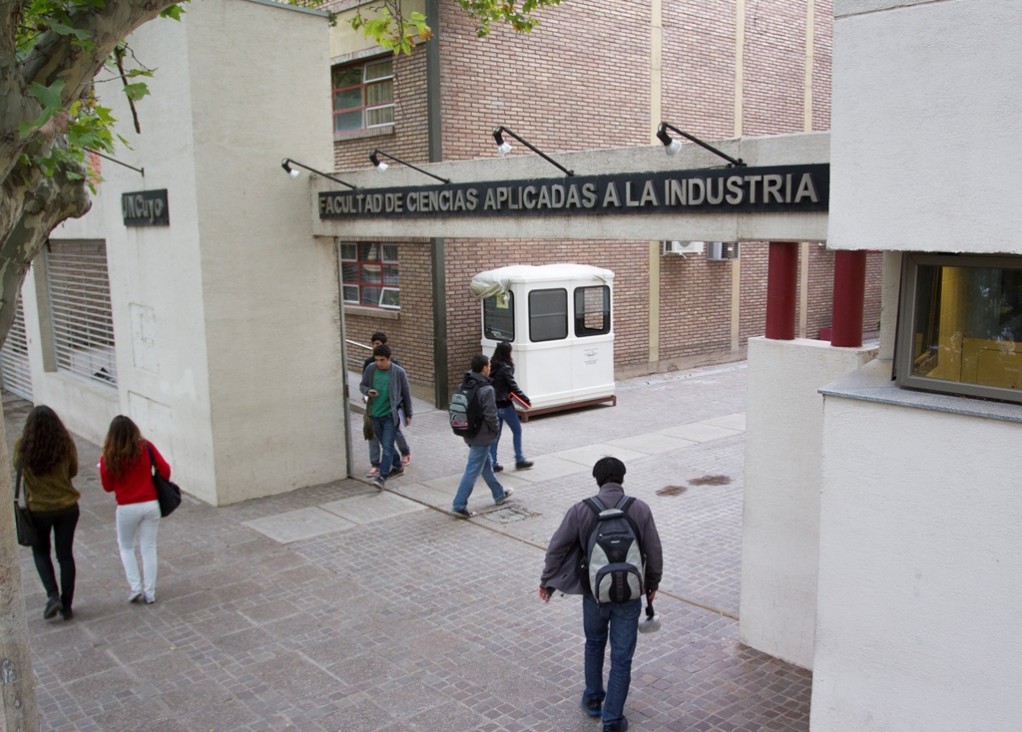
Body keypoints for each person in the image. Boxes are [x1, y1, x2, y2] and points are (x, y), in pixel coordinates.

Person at [538, 457, 663, 732]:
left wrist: (547, 581)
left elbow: (556, 548)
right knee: (622, 657)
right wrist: (652, 584)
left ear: (597, 479)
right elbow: (654, 551)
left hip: (594, 595)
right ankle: (612, 720)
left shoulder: (581, 510)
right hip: (629, 597)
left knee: (594, 644)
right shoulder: (639, 509)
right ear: (622, 478)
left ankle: (594, 700)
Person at [13, 406, 80, 621]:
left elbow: (18, 468)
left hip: (39, 510)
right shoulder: (65, 444)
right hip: (67, 506)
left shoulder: (22, 447)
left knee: (41, 553)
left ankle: (52, 595)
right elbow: (74, 470)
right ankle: (67, 604)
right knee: (65, 555)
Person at [99, 416, 171, 605]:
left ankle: (135, 587)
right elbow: (165, 469)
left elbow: (107, 486)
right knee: (148, 548)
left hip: (126, 507)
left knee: (126, 546)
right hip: (150, 503)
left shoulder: (108, 455)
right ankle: (150, 591)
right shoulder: (146, 447)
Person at [450, 354, 513, 518]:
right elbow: (491, 415)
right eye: (489, 366)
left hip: (468, 432)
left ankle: (499, 494)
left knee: (486, 465)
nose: (489, 368)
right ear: (485, 368)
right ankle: (459, 504)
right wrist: (495, 431)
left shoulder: (465, 384)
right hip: (483, 436)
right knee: (472, 470)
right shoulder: (486, 389)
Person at [359, 344, 413, 488]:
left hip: (390, 416)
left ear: (389, 359)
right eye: (376, 360)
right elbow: (362, 385)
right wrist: (368, 391)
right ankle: (397, 466)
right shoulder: (371, 369)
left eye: (382, 360)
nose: (379, 363)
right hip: (374, 415)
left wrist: (408, 414)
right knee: (384, 444)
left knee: (388, 447)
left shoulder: (398, 372)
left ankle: (382, 477)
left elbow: (406, 394)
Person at [487, 340, 533, 472]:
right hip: (505, 406)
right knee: (517, 430)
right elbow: (513, 386)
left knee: (496, 434)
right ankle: (519, 460)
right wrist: (526, 400)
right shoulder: (506, 367)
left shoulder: (492, 365)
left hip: (494, 405)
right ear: (508, 353)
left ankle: (493, 463)